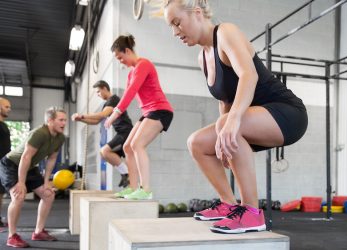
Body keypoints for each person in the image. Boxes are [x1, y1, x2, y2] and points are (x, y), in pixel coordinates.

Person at [161, 0, 308, 234]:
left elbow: (248, 75)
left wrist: (230, 124)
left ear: (197, 13)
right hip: (251, 117)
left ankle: (251, 212)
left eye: (177, 23)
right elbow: (225, 100)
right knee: (196, 143)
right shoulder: (203, 57)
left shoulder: (226, 33)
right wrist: (224, 138)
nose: (174, 32)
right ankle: (228, 204)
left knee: (227, 123)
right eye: (171, 26)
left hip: (287, 113)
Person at [105, 34, 174, 200]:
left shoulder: (144, 64)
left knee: (137, 145)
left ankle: (146, 190)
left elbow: (131, 92)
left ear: (127, 51)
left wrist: (115, 113)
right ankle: (133, 187)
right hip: (149, 112)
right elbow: (127, 94)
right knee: (128, 146)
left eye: (120, 57)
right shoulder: (131, 73)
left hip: (160, 110)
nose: (120, 61)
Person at [0, 107, 67, 248]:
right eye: (61, 120)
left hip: (29, 166)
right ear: (50, 121)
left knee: (48, 195)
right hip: (11, 164)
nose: (64, 123)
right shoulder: (39, 133)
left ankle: (38, 232)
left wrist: (46, 181)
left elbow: (51, 159)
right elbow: (25, 157)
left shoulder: (60, 138)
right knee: (18, 195)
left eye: (65, 120)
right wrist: (21, 182)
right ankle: (12, 236)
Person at [71, 80, 133, 188]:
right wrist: (80, 120)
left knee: (105, 151)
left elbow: (102, 115)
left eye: (98, 91)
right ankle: (125, 174)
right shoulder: (107, 103)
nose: (98, 94)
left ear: (104, 88)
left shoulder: (113, 99)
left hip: (126, 132)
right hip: (121, 132)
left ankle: (127, 174)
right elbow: (96, 121)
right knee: (104, 153)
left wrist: (82, 116)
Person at [0, 97, 12, 228]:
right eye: (6, 106)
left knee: (0, 193)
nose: (9, 109)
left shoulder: (3, 125)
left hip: (3, 164)